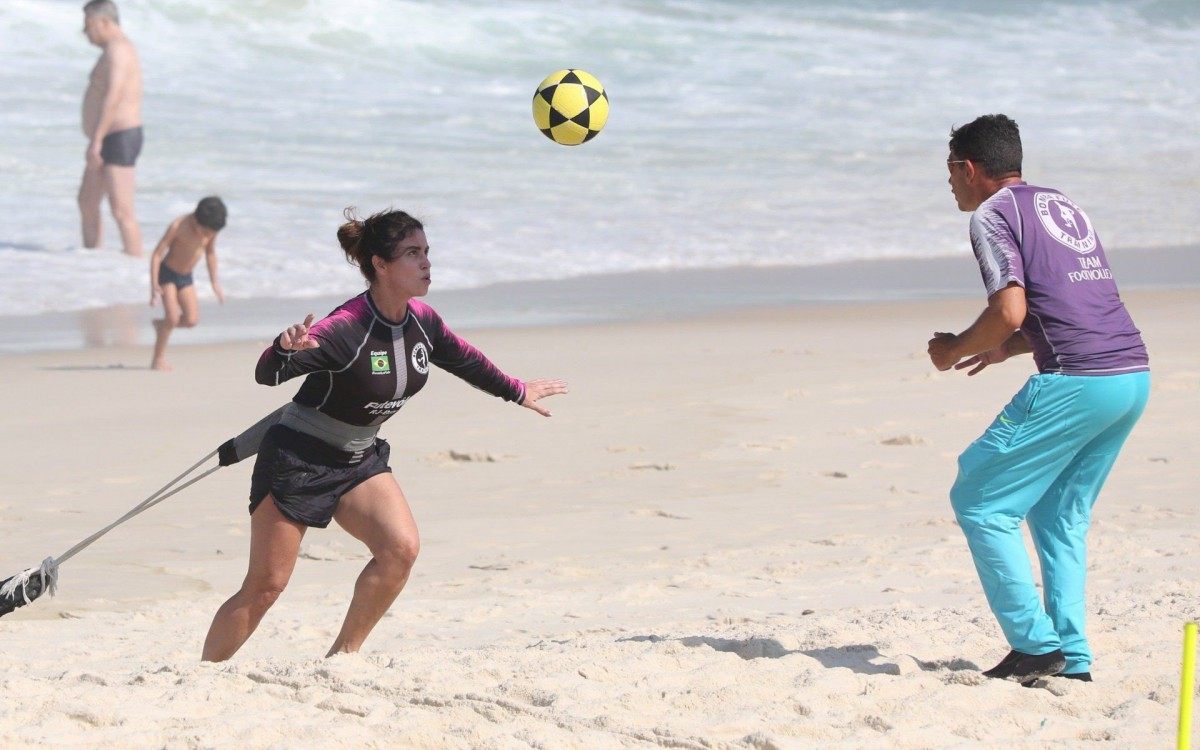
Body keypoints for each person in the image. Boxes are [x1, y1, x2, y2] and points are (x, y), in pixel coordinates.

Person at [201, 208, 568, 661]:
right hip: (298, 460)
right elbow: (269, 375)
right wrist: (282, 348)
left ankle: (342, 658)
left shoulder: (422, 322)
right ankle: (206, 673)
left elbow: (466, 360)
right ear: (380, 264)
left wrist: (518, 390)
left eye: (427, 252)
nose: (426, 263)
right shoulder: (346, 327)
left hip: (358, 458)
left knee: (400, 549)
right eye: (413, 254)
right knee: (266, 587)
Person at [928, 114, 1150, 684]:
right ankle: (1071, 657)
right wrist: (1009, 350)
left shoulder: (991, 214)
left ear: (967, 168)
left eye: (949, 172)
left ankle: (1034, 645)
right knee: (1058, 513)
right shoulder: (1062, 205)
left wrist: (954, 349)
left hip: (1077, 380)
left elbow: (1009, 310)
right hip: (1129, 376)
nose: (949, 184)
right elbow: (1076, 303)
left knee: (979, 497)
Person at [79, 0, 144, 256]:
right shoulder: (112, 50)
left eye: (89, 26)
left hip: (119, 136)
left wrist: (97, 139)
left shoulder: (119, 50)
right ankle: (93, 262)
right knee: (87, 202)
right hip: (108, 136)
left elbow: (114, 95)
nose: (85, 32)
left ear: (104, 22)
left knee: (122, 210)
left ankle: (137, 265)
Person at [148, 197, 227, 371]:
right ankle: (157, 359)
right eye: (204, 232)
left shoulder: (211, 228)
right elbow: (156, 255)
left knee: (191, 320)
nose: (206, 236)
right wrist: (154, 285)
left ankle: (161, 326)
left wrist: (215, 283)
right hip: (167, 274)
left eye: (210, 234)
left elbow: (211, 254)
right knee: (173, 317)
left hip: (186, 277)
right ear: (195, 219)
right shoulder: (178, 226)